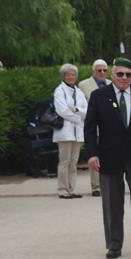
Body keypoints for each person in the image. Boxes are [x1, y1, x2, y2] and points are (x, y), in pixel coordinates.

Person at [84, 57, 131, 259]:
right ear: (112, 74)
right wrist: (92, 154)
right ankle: (114, 245)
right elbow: (90, 128)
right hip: (109, 158)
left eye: (129, 74)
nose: (124, 78)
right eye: (120, 74)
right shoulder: (99, 96)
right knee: (111, 204)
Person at [53, 63, 87, 199]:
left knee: (74, 162)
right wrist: (78, 118)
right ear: (63, 76)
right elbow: (62, 110)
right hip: (65, 132)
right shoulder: (59, 91)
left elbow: (86, 109)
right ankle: (62, 189)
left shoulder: (78, 91)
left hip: (77, 132)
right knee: (64, 161)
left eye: (73, 75)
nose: (71, 77)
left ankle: (72, 189)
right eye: (68, 75)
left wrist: (77, 110)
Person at [79, 59, 111, 197]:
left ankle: (108, 183)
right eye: (99, 70)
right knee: (95, 155)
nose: (102, 72)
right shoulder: (84, 85)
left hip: (111, 127)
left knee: (109, 156)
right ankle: (96, 186)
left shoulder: (111, 83)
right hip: (95, 124)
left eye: (105, 70)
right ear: (93, 71)